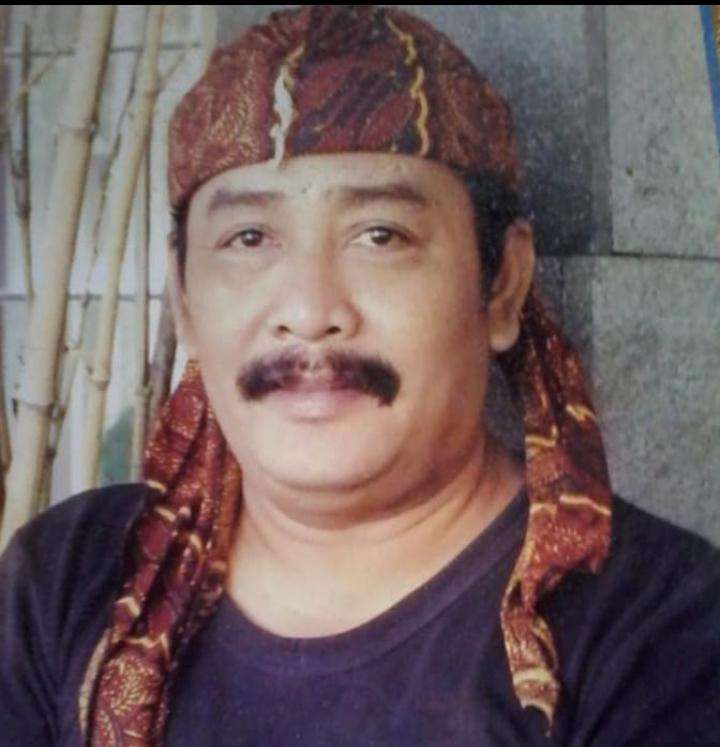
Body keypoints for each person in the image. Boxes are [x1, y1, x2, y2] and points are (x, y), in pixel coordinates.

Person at [1, 6, 718, 746]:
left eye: (380, 236)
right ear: (184, 301)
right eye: (249, 237)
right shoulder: (70, 582)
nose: (310, 312)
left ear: (502, 283)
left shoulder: (658, 631)